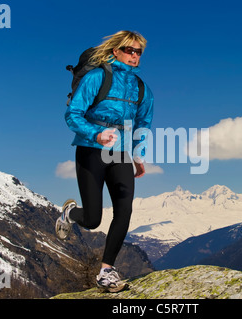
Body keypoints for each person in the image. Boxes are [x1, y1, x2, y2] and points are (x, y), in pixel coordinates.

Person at [55, 31, 154, 292]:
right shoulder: (97, 77)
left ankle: (107, 271)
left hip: (120, 154)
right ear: (115, 50)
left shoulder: (141, 87)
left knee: (125, 210)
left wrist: (137, 155)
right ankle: (69, 213)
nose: (134, 55)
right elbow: (72, 114)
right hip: (90, 149)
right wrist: (96, 134)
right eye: (128, 50)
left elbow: (143, 123)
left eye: (138, 51)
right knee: (92, 219)